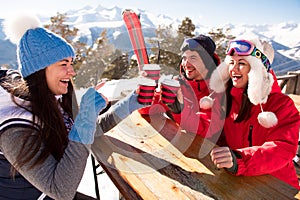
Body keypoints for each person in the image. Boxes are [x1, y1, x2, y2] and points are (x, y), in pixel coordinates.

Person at [0, 14, 145, 200]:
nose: (72, 71)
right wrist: (85, 121)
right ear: (39, 71)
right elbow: (61, 191)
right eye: (63, 64)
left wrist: (133, 101)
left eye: (71, 63)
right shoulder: (15, 129)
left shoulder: (50, 101)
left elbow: (89, 130)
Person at [208, 36, 300, 189]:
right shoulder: (228, 99)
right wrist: (178, 110)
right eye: (231, 62)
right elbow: (214, 132)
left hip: (277, 187)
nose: (233, 69)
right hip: (241, 183)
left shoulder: (282, 105)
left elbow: (282, 148)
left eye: (242, 63)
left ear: (258, 70)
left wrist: (240, 160)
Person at [139, 34, 221, 137]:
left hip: (213, 150)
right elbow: (145, 109)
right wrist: (147, 91)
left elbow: (207, 129)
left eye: (193, 58)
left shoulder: (220, 91)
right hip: (183, 146)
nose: (186, 64)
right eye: (184, 58)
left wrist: (180, 111)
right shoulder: (179, 84)